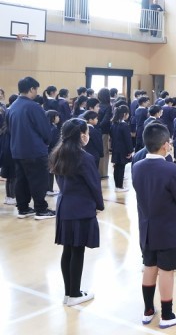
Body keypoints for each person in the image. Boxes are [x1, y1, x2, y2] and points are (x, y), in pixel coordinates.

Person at [132, 123, 176, 328]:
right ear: (166, 144)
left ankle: (148, 310)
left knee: (149, 266)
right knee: (166, 270)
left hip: (146, 228)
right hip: (168, 228)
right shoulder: (172, 169)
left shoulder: (137, 166)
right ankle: (167, 315)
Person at [50, 118, 104, 307]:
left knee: (68, 250)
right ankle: (74, 294)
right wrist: (99, 205)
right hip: (81, 207)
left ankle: (69, 293)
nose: (88, 135)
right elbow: (94, 185)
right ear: (81, 135)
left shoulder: (57, 153)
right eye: (87, 132)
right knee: (78, 251)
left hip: (64, 205)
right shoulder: (84, 158)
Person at [6, 76, 56, 220]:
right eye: (36, 89)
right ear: (31, 89)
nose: (36, 92)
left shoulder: (12, 107)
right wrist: (47, 142)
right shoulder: (34, 107)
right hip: (34, 151)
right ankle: (41, 209)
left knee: (21, 180)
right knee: (39, 180)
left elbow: (9, 129)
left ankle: (23, 208)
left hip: (17, 150)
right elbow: (45, 130)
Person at [110, 105, 133, 192]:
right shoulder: (124, 125)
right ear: (124, 114)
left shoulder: (114, 124)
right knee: (121, 168)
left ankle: (117, 186)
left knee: (117, 167)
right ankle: (119, 186)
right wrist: (130, 150)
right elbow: (128, 139)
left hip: (115, 148)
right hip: (123, 149)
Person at [96, 88, 113, 180]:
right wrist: (99, 127)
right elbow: (106, 120)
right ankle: (102, 172)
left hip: (94, 130)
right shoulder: (108, 106)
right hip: (103, 131)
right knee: (104, 151)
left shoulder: (97, 105)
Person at [46, 110, 61, 196]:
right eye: (57, 116)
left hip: (47, 152)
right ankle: (49, 189)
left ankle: (49, 188)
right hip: (52, 152)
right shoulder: (54, 129)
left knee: (49, 171)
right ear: (53, 118)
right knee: (52, 171)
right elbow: (54, 142)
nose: (58, 118)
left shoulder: (46, 127)